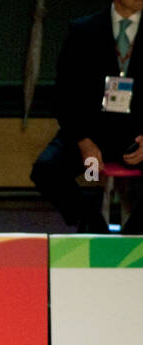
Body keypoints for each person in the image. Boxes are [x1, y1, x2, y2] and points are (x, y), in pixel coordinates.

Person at [30, 0, 143, 233]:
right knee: (46, 169)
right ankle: (92, 225)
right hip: (91, 134)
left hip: (138, 137)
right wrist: (84, 141)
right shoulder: (83, 30)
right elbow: (64, 95)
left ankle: (132, 236)